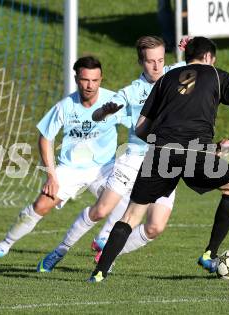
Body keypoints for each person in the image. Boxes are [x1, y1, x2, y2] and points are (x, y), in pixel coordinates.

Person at [89, 36, 229, 282]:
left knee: (131, 215)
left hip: (161, 152)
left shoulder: (165, 80)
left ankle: (98, 273)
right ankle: (209, 253)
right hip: (196, 153)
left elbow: (140, 128)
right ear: (209, 57)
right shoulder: (217, 75)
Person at [36, 36, 185, 272]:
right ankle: (60, 250)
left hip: (166, 162)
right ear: (140, 62)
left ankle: (108, 252)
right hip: (134, 159)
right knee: (101, 211)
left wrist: (191, 45)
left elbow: (203, 66)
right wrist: (103, 112)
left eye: (160, 60)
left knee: (155, 228)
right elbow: (97, 115)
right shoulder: (131, 92)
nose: (156, 66)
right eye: (150, 61)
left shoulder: (176, 74)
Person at [0, 56, 129, 258]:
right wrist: (51, 176)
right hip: (70, 168)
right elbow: (45, 138)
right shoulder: (65, 106)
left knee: (127, 202)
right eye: (85, 80)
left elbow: (137, 125)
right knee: (41, 206)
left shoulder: (114, 102)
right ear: (77, 78)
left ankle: (102, 240)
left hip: (104, 167)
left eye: (95, 80)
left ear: (101, 79)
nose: (90, 85)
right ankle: (4, 244)